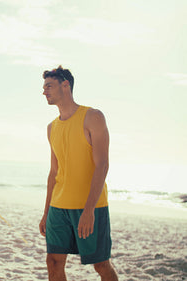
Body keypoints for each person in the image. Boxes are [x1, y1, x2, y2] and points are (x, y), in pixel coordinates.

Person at [39, 66, 118, 281]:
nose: (44, 91)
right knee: (53, 262)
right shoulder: (51, 127)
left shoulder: (93, 117)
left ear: (66, 85)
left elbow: (102, 165)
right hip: (58, 207)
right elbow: (54, 172)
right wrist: (46, 212)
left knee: (101, 265)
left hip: (90, 207)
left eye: (49, 86)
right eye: (44, 87)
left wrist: (89, 210)